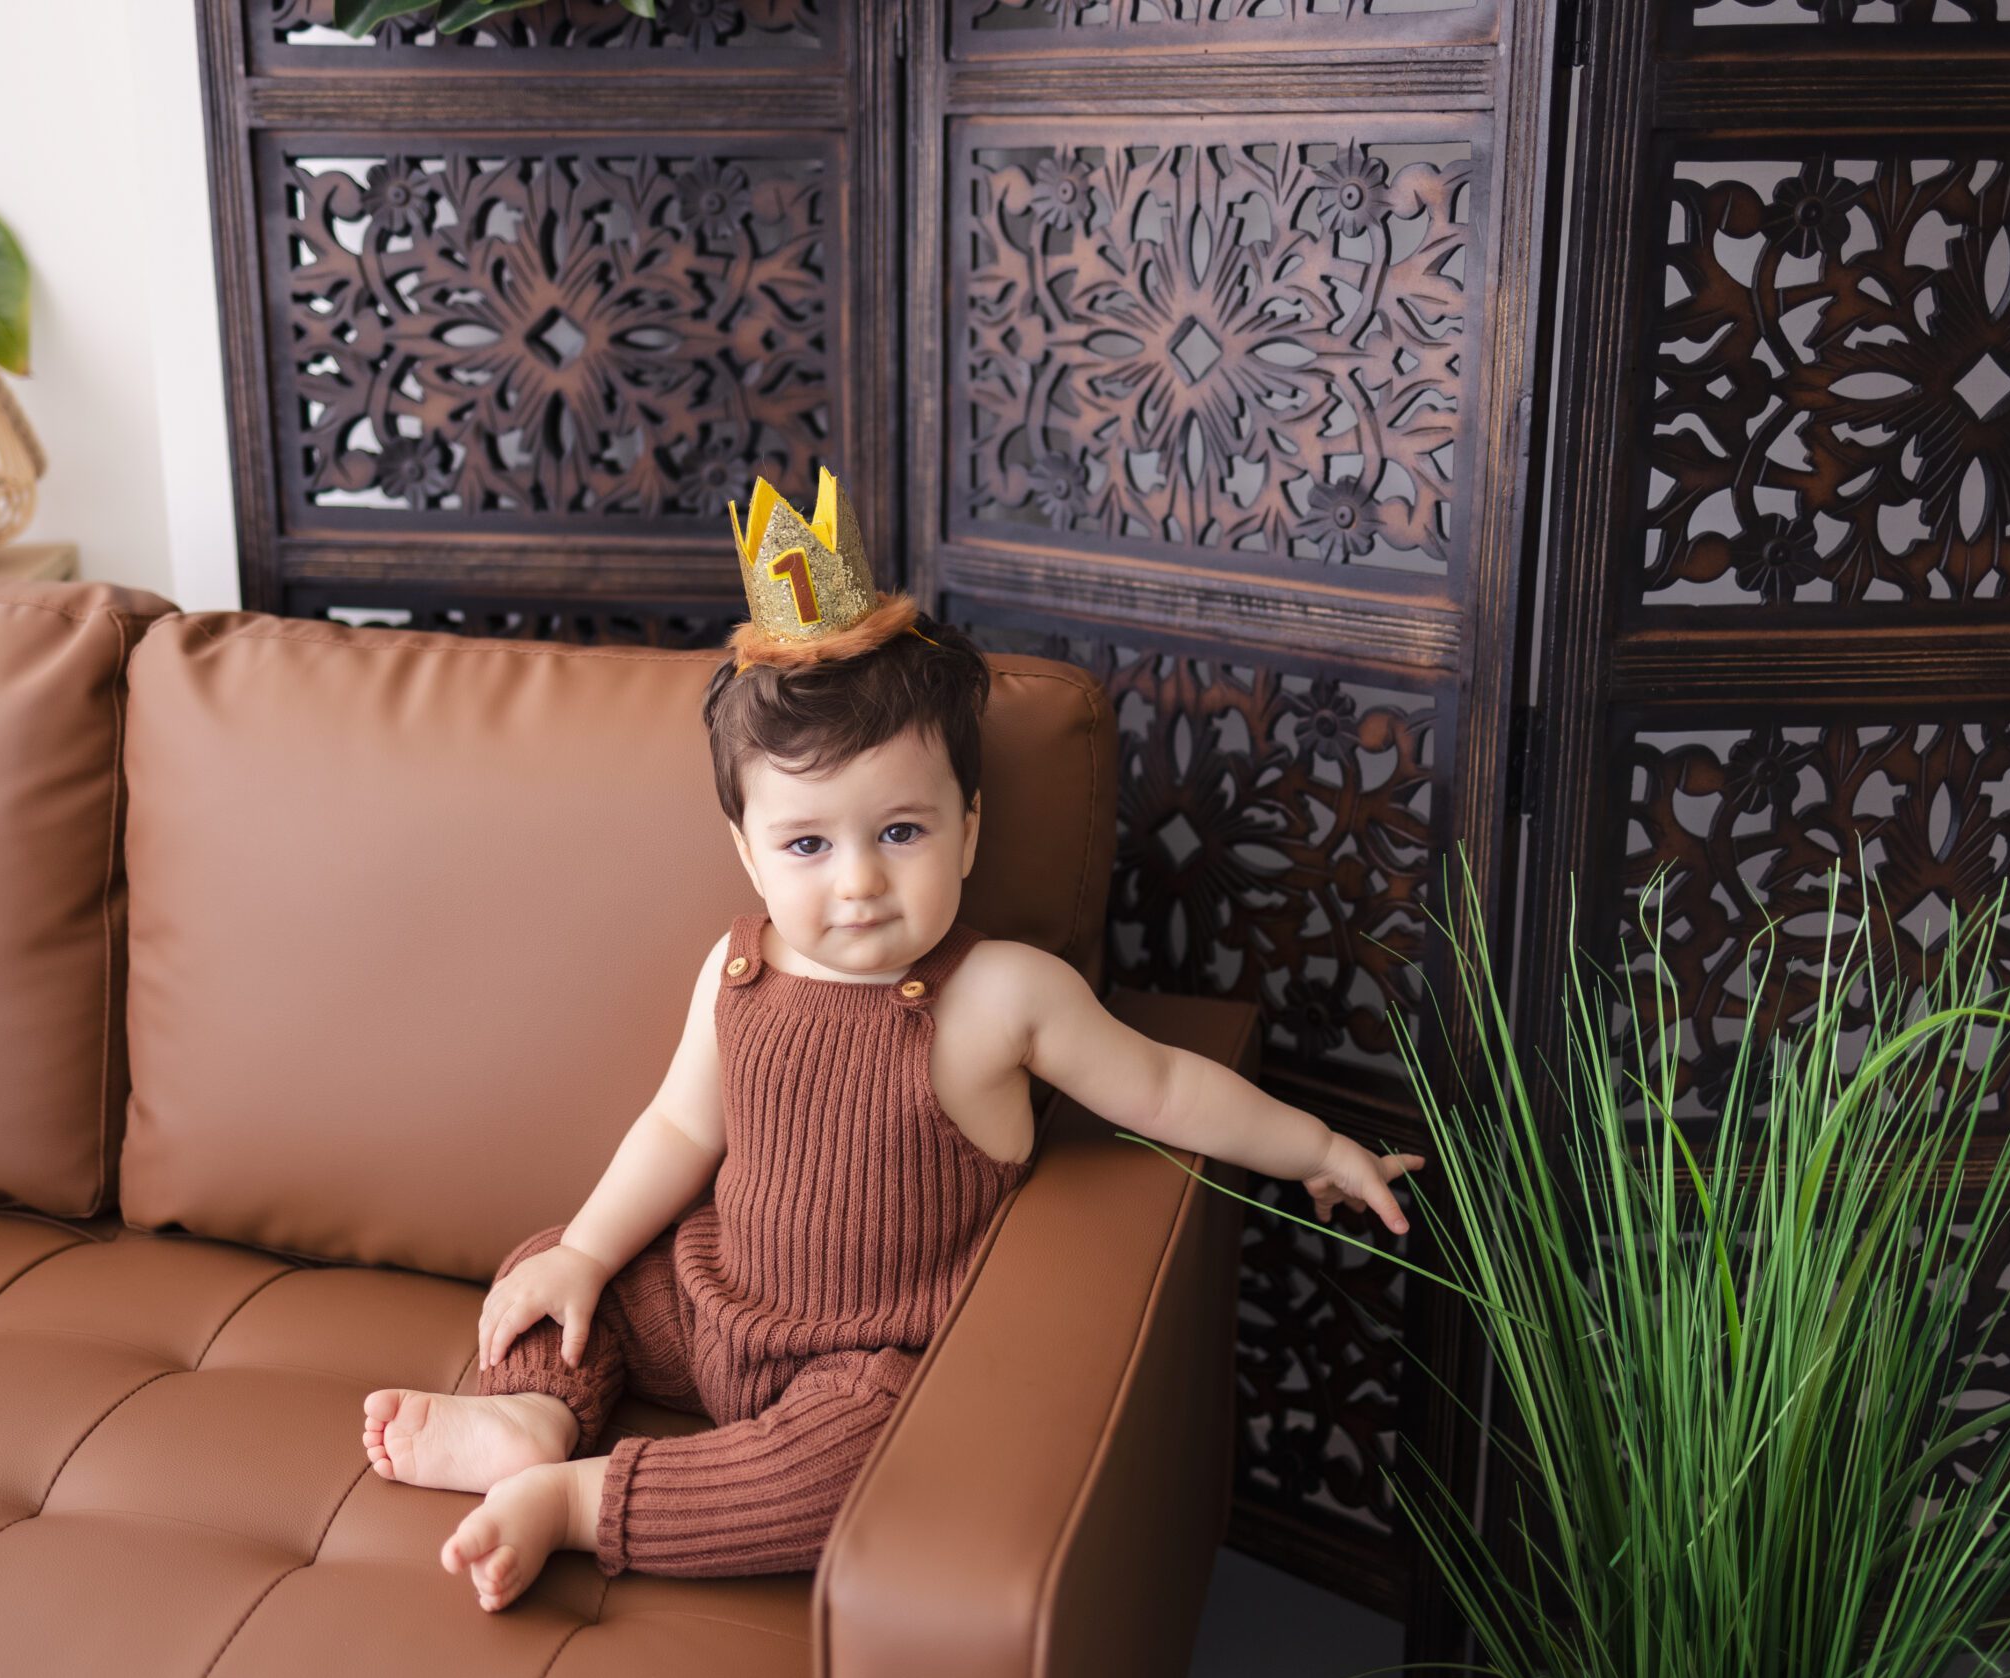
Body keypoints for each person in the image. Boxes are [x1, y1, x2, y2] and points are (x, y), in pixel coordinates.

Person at [361, 467, 1425, 1613]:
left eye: (901, 832)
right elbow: (677, 1127)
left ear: (967, 830)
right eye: (808, 845)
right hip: (714, 1303)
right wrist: (584, 1254)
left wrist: (1318, 1148)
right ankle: (532, 1414)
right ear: (748, 852)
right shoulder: (736, 967)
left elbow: (1163, 1087)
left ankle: (580, 1499)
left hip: (863, 1366)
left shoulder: (998, 994)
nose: (860, 882)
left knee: (867, 1461)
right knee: (552, 1263)